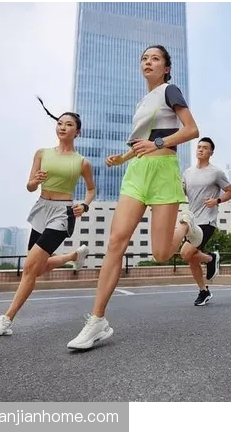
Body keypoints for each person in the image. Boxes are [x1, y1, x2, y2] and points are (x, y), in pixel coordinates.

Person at [67, 44, 202, 350]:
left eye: (155, 58)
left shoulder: (170, 91)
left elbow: (192, 130)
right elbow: (142, 141)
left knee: (161, 254)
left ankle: (185, 224)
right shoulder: (141, 102)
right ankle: (97, 320)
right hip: (137, 173)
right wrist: (124, 157)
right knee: (116, 241)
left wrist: (158, 143)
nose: (147, 62)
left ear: (166, 68)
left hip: (163, 171)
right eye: (144, 58)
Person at [0, 98, 94, 336]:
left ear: (78, 132)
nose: (62, 127)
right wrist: (35, 181)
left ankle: (6, 320)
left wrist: (84, 205)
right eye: (60, 123)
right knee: (38, 268)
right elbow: (30, 186)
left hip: (62, 213)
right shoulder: (42, 153)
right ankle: (74, 255)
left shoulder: (82, 162)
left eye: (69, 125)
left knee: (30, 268)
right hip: (41, 209)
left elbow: (91, 189)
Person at [180, 137, 231, 306]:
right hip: (192, 221)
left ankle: (210, 258)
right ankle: (204, 291)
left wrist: (217, 200)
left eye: (204, 147)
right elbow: (181, 191)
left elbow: (230, 192)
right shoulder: (188, 172)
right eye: (199, 147)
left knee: (185, 253)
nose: (200, 149)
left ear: (211, 152)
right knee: (191, 258)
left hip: (207, 220)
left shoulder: (216, 172)